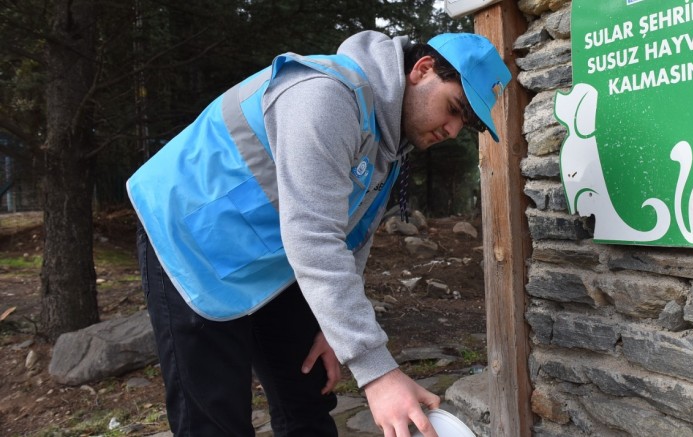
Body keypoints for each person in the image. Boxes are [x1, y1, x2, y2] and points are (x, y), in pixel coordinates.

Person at [127, 30, 511, 436]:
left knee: (307, 398)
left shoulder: (388, 141)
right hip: (191, 240)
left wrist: (332, 328)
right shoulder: (327, 97)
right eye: (453, 109)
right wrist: (378, 372)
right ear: (422, 69)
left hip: (273, 251)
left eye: (464, 124)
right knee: (215, 419)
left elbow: (353, 235)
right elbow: (313, 237)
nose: (451, 130)